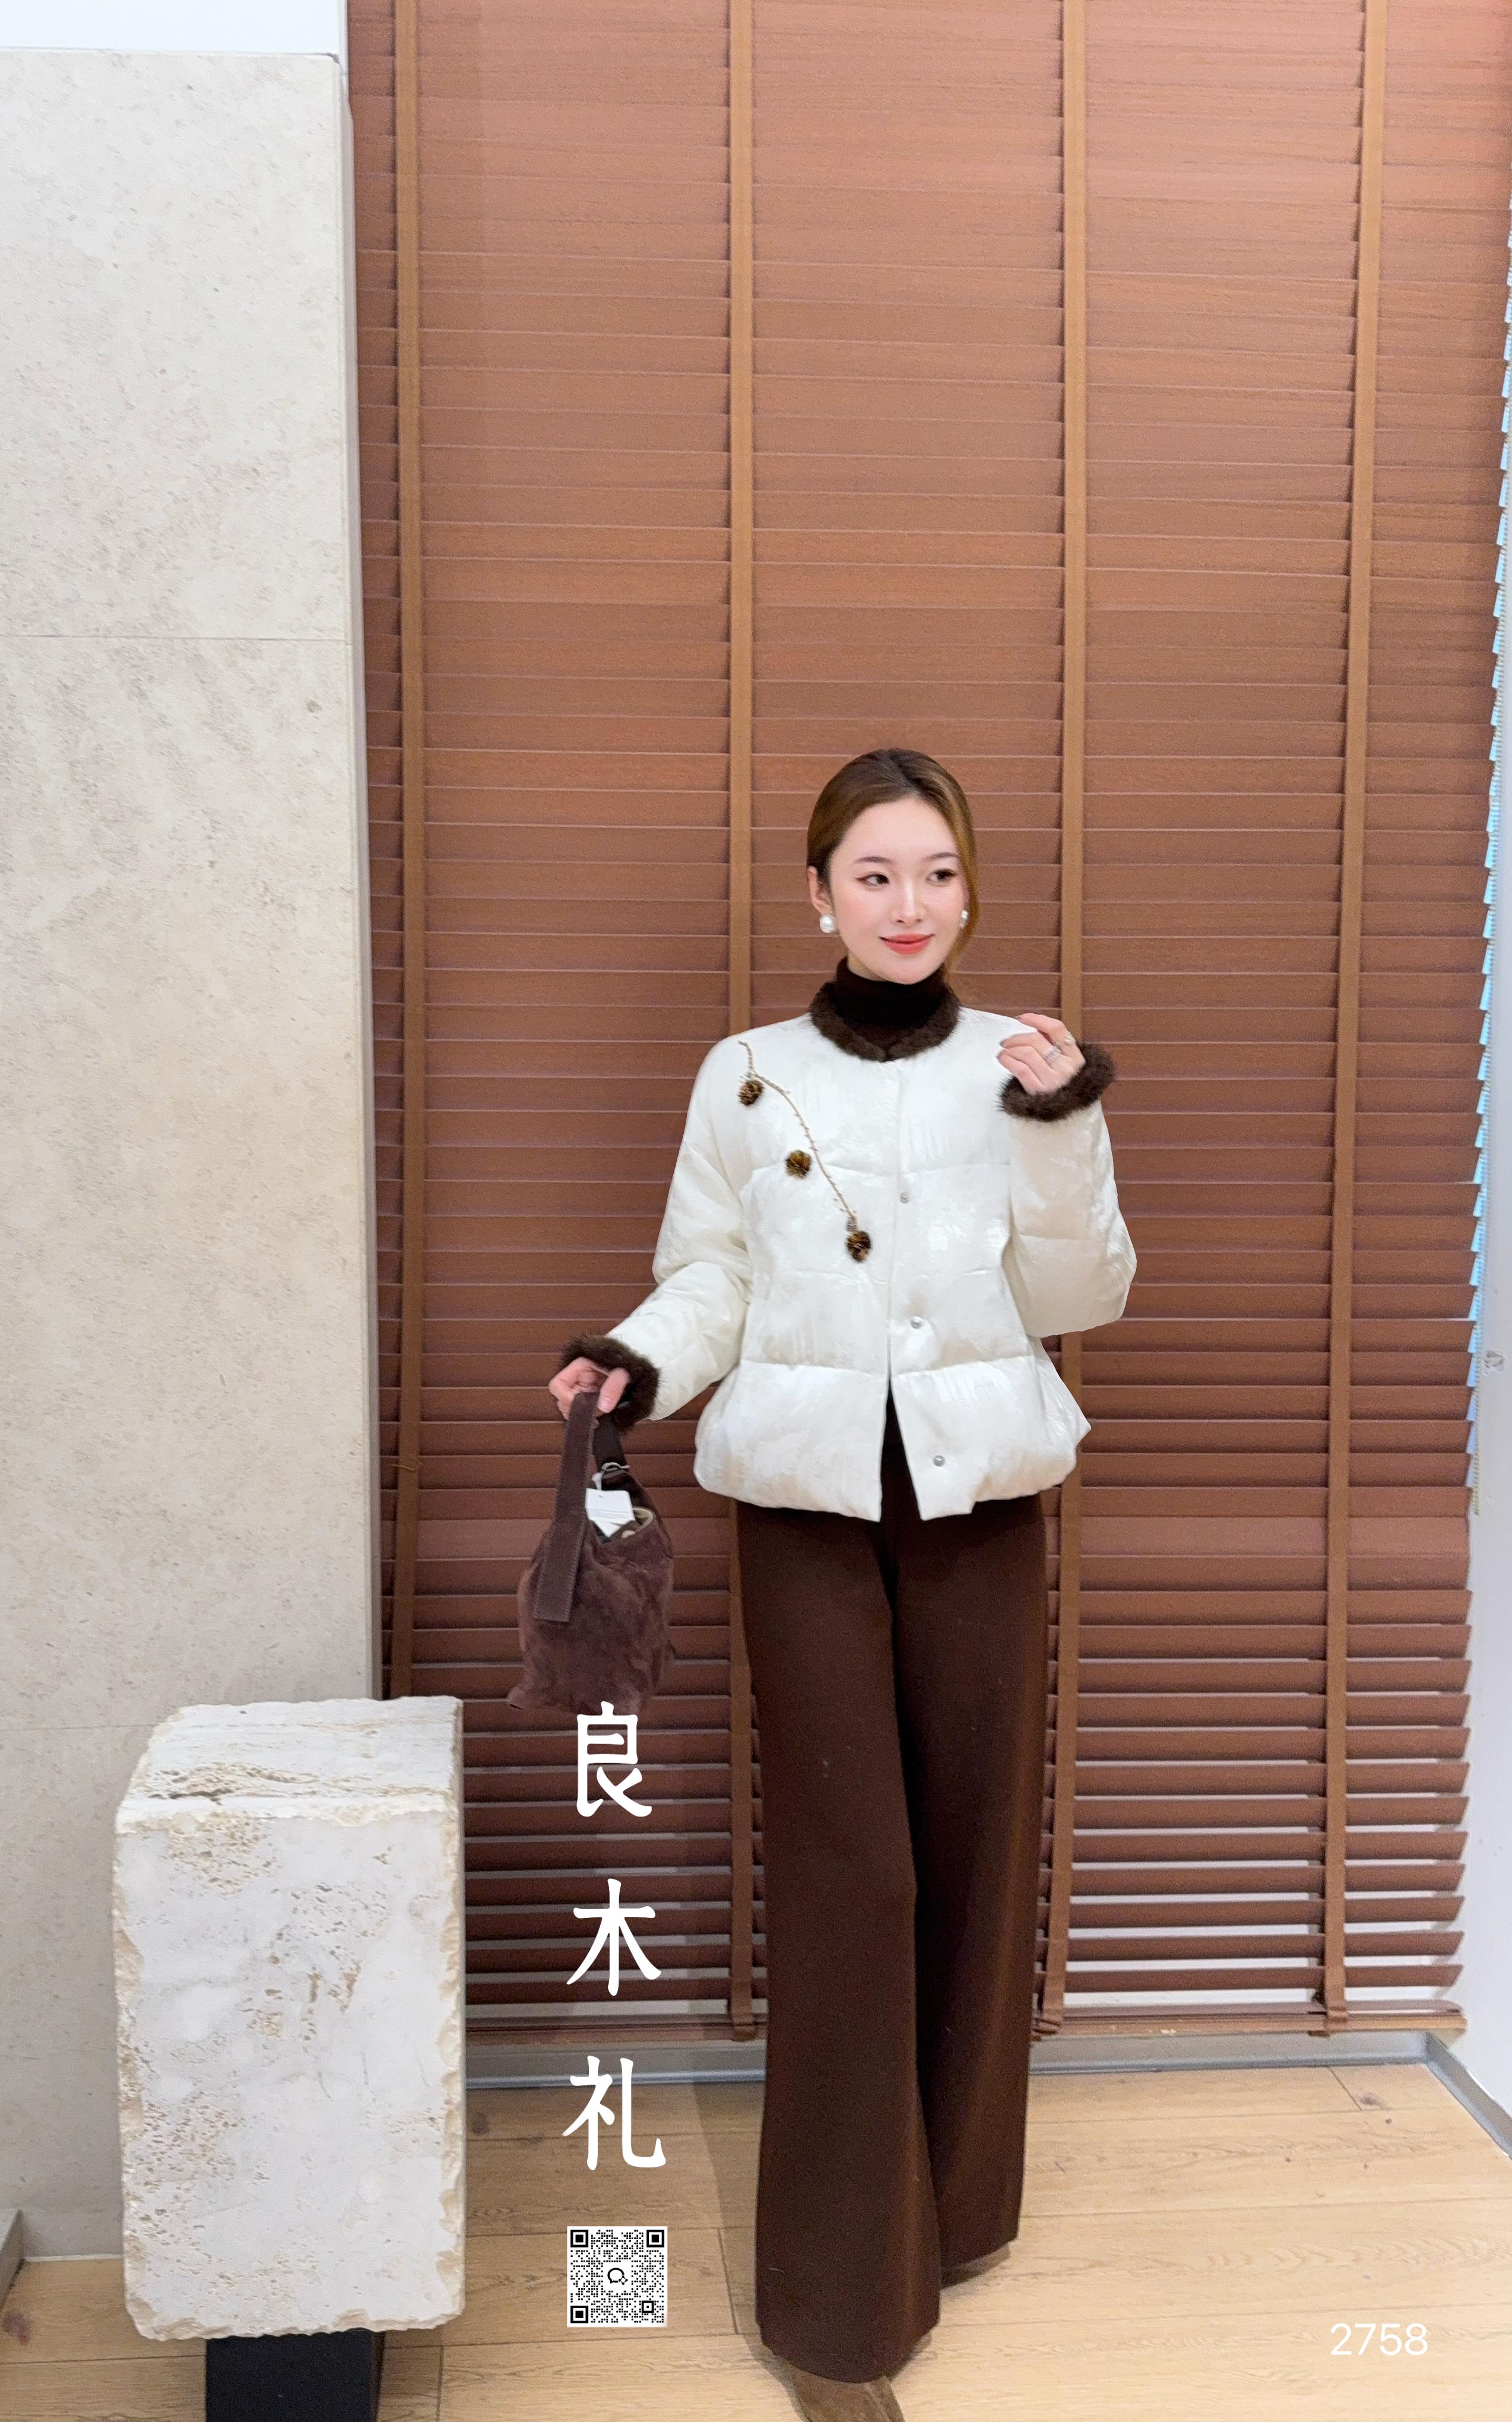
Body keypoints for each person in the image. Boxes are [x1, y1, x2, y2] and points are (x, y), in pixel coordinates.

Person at [546, 747, 1136, 2422]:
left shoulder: (1024, 1064)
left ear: (969, 889)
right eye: (874, 874)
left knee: (975, 1850)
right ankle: (840, 2301)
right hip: (804, 1505)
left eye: (936, 872)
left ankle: (959, 2210)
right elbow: (709, 1278)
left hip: (980, 1499)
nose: (909, 904)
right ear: (819, 895)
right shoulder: (745, 1075)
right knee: (851, 1874)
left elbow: (1084, 1293)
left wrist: (1059, 1130)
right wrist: (633, 1364)